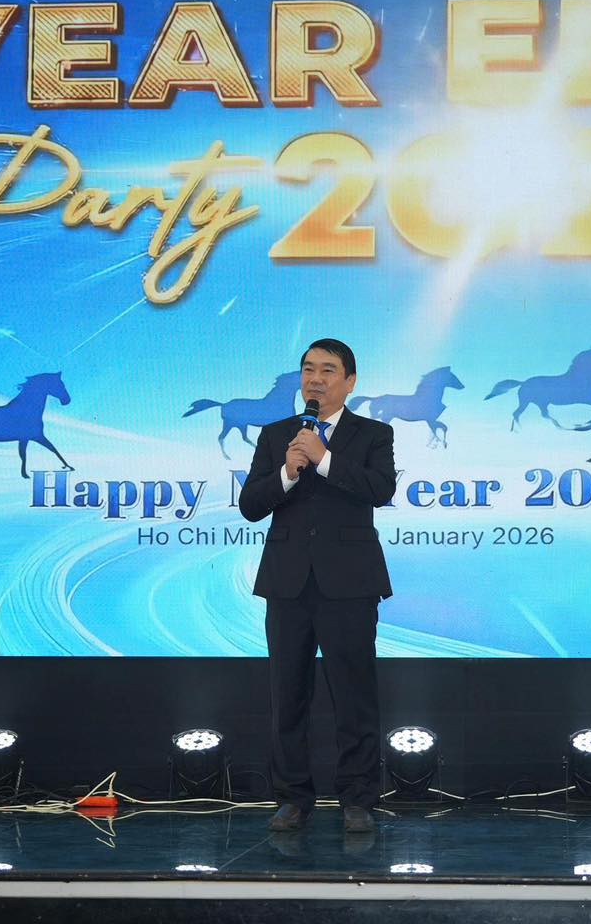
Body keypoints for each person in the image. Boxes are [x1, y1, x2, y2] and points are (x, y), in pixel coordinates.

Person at [238, 339, 397, 833]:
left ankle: (358, 798)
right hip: (287, 584)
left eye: (328, 370)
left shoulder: (374, 434)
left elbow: (380, 489)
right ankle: (292, 798)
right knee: (288, 697)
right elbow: (250, 505)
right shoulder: (276, 435)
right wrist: (288, 472)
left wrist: (324, 458)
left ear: (350, 381)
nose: (316, 378)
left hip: (350, 584)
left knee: (354, 696)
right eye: (309, 369)